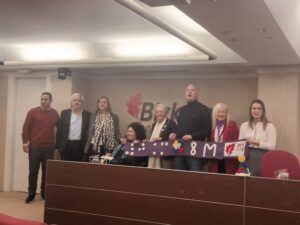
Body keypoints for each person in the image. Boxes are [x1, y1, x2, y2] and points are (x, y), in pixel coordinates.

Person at [22, 92, 59, 203]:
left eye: (46, 99)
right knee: (33, 171)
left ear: (51, 101)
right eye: (42, 99)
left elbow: (60, 129)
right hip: (35, 147)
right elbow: (25, 128)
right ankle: (31, 194)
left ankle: (44, 193)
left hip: (49, 147)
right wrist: (25, 142)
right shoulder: (33, 112)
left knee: (46, 172)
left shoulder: (55, 113)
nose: (43, 101)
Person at [169, 84, 211, 171]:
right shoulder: (182, 109)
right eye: (187, 90)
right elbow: (179, 128)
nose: (189, 91)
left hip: (194, 147)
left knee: (195, 174)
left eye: (192, 90)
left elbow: (207, 131)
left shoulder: (204, 109)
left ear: (197, 94)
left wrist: (192, 136)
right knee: (179, 171)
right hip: (179, 145)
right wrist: (174, 134)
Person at [239, 99, 277, 176]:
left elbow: (272, 146)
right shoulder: (244, 125)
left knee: (257, 182)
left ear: (263, 111)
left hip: (262, 157)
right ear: (250, 110)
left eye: (259, 108)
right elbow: (239, 144)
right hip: (246, 157)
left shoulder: (270, 126)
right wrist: (244, 142)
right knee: (243, 182)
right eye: (254, 108)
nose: (256, 111)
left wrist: (257, 142)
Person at [56, 93, 91, 161]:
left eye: (79, 100)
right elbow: (59, 131)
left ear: (82, 102)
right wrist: (58, 147)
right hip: (65, 146)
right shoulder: (65, 113)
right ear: (71, 102)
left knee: (77, 168)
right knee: (65, 168)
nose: (76, 102)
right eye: (74, 100)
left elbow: (89, 133)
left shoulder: (87, 115)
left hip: (80, 146)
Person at [210, 103, 239, 174]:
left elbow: (237, 142)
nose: (221, 114)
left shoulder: (232, 125)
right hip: (216, 161)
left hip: (229, 161)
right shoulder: (212, 126)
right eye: (219, 112)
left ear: (226, 114)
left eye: (223, 112)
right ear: (215, 113)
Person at [148, 103, 177, 169]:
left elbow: (176, 139)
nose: (159, 113)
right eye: (157, 112)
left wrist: (162, 139)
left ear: (165, 113)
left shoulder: (171, 123)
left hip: (166, 156)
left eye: (161, 112)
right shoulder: (154, 124)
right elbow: (151, 139)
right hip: (153, 153)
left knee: (165, 175)